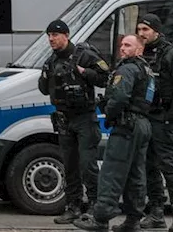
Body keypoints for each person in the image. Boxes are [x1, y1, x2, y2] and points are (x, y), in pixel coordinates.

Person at [73, 34, 153, 232]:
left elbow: (119, 97)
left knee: (112, 171)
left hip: (127, 125)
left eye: (128, 45)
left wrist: (109, 114)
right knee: (136, 175)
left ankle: (100, 219)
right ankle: (133, 220)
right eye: (122, 45)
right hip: (142, 124)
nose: (123, 49)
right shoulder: (147, 70)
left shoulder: (127, 69)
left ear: (139, 50)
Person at [38, 19, 109, 223]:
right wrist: (45, 76)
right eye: (49, 35)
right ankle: (73, 206)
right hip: (63, 119)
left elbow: (105, 76)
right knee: (69, 166)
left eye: (55, 35)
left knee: (88, 165)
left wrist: (84, 72)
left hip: (84, 118)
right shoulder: (51, 61)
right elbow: (44, 89)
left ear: (66, 35)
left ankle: (95, 206)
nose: (51, 39)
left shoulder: (83, 55)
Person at [136, 14, 173, 232]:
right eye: (139, 29)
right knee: (149, 167)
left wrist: (171, 118)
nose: (141, 34)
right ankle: (156, 213)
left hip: (164, 121)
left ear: (156, 32)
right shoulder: (142, 56)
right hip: (146, 119)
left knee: (168, 168)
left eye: (146, 30)